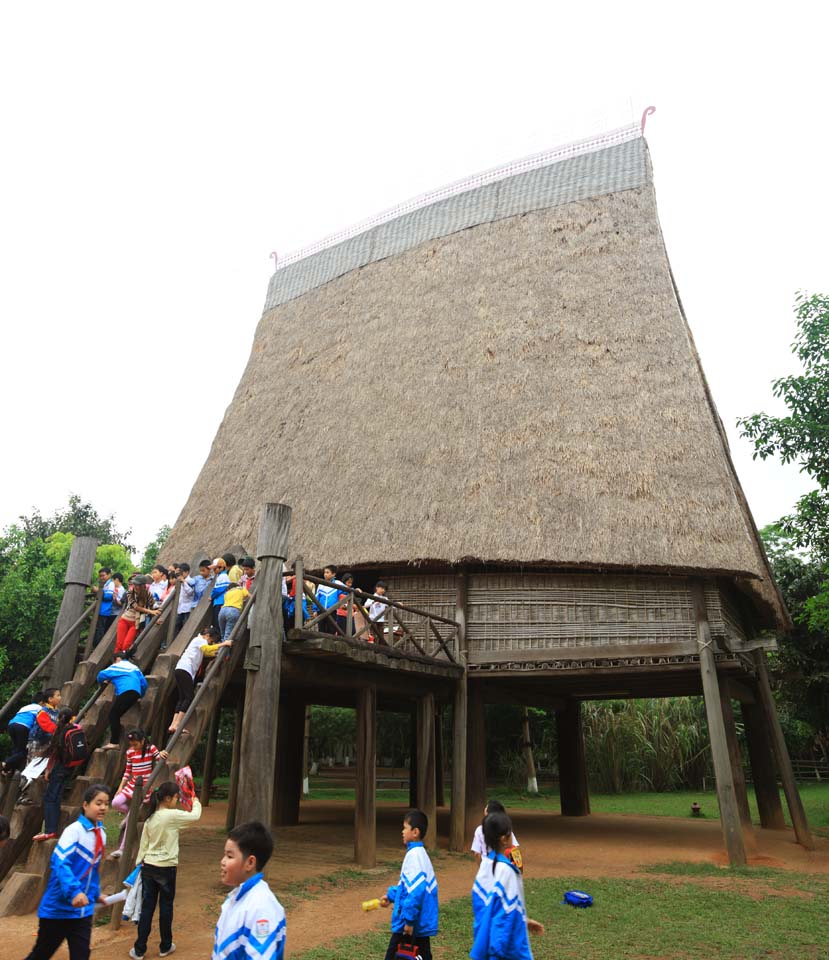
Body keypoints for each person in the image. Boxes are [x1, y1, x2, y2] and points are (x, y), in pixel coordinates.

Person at [24, 783, 111, 960]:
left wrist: (94, 893)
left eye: (106, 803)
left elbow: (92, 870)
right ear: (85, 805)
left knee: (81, 955)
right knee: (41, 954)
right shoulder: (73, 831)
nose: (103, 807)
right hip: (58, 909)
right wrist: (74, 892)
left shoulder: (101, 833)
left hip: (82, 912)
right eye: (98, 803)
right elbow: (59, 862)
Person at [130, 781, 203, 960]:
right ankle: (165, 946)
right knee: (166, 907)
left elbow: (143, 846)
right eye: (177, 798)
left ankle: (139, 949)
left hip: (148, 867)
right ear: (168, 798)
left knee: (147, 908)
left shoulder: (150, 818)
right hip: (167, 868)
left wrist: (140, 865)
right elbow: (195, 816)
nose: (177, 801)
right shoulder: (171, 816)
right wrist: (194, 799)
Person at [470, 811, 544, 960]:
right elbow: (502, 919)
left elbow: (490, 910)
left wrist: (524, 921)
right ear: (503, 839)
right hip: (508, 952)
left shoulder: (485, 867)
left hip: (485, 947)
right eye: (511, 834)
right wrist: (496, 954)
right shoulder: (507, 872)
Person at [213, 820, 285, 960]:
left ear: (250, 863)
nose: (222, 861)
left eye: (229, 856)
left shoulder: (262, 907)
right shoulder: (236, 897)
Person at [380, 809, 438, 960]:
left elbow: (416, 892)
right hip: (417, 923)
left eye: (405, 827)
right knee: (423, 954)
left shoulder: (415, 856)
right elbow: (406, 887)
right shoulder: (419, 853)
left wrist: (409, 921)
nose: (402, 831)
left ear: (415, 832)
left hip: (411, 924)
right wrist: (391, 895)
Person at [110, 729, 168, 858]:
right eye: (131, 744)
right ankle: (128, 814)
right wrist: (121, 787)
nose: (133, 747)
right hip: (132, 784)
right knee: (115, 802)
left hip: (145, 786)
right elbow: (128, 770)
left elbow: (159, 757)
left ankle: (122, 848)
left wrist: (162, 753)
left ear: (142, 741)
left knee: (132, 818)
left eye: (135, 744)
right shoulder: (130, 752)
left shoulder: (150, 748)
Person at [33, 708, 88, 842]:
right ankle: (52, 829)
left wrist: (48, 770)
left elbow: (55, 754)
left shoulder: (60, 732)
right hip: (71, 766)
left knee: (50, 798)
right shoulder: (76, 728)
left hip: (60, 767)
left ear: (60, 718)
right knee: (56, 797)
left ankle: (49, 830)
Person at [168, 626, 228, 734]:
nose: (210, 643)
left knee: (182, 698)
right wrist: (224, 644)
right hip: (185, 669)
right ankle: (177, 725)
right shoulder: (200, 640)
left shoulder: (198, 641)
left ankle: (173, 725)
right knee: (189, 697)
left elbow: (207, 652)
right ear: (208, 636)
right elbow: (207, 649)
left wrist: (218, 652)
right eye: (211, 641)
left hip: (181, 669)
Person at [97, 653, 148, 748]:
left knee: (113, 714)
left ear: (118, 659)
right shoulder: (135, 667)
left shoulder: (116, 665)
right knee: (117, 714)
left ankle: (114, 742)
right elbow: (144, 684)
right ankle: (116, 737)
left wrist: (102, 682)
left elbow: (101, 674)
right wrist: (141, 694)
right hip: (135, 692)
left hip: (126, 691)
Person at [2, 692, 45, 774]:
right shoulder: (40, 708)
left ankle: (8, 769)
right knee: (24, 751)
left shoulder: (25, 707)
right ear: (41, 702)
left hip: (11, 725)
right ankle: (5, 763)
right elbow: (39, 723)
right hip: (23, 727)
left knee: (17, 748)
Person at [116, 577, 156, 654]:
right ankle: (117, 662)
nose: (134, 586)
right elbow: (136, 607)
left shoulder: (148, 595)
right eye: (134, 584)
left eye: (137, 584)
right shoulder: (130, 592)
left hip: (136, 622)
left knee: (126, 645)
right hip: (124, 619)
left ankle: (123, 661)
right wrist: (150, 611)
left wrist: (155, 617)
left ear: (142, 585)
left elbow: (152, 607)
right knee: (119, 644)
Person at [27, 689, 62, 761]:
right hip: (37, 740)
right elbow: (46, 725)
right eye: (58, 695)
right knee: (33, 762)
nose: (60, 697)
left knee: (43, 762)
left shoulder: (57, 711)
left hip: (47, 741)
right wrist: (59, 730)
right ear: (50, 699)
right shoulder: (43, 711)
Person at [315, 565, 343, 635]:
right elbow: (316, 597)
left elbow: (347, 590)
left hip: (332, 610)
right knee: (321, 629)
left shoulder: (337, 583)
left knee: (331, 629)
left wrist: (356, 590)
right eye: (325, 572)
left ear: (333, 574)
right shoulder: (321, 584)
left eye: (327, 572)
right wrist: (315, 609)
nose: (325, 574)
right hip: (321, 610)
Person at [92, 568, 115, 647]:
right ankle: (95, 644)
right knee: (97, 628)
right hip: (100, 609)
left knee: (100, 629)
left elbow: (108, 596)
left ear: (109, 575)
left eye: (103, 575)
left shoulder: (111, 584)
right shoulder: (105, 584)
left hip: (104, 610)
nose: (102, 577)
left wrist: (98, 591)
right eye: (100, 576)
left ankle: (98, 646)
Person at [174, 563, 197, 634]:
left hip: (187, 608)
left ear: (186, 572)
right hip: (180, 608)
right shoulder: (179, 581)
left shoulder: (191, 581)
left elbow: (190, 592)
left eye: (182, 572)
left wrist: (184, 582)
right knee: (177, 626)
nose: (180, 574)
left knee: (186, 627)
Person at [210, 558, 230, 630]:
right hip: (218, 601)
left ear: (221, 568)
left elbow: (218, 590)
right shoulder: (220, 576)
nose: (214, 571)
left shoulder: (223, 577)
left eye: (215, 569)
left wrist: (212, 596)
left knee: (218, 622)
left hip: (220, 601)